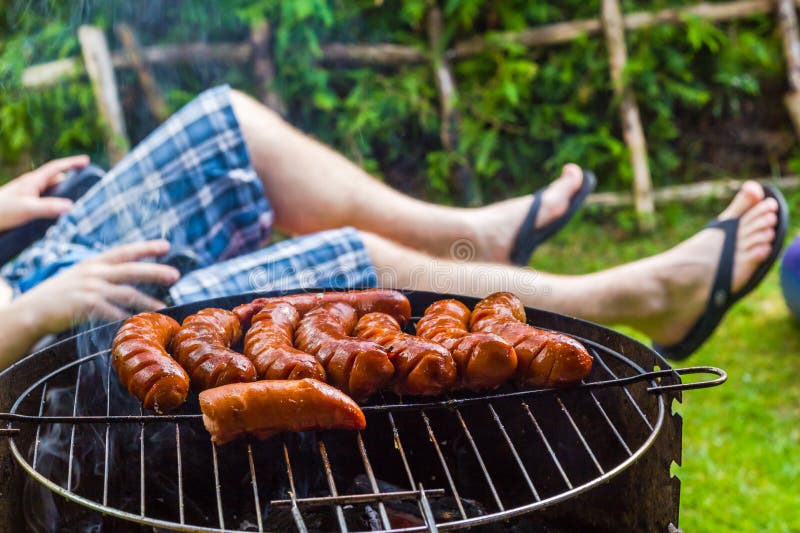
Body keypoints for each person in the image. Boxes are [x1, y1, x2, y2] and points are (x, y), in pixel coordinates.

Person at [0, 85, 785, 370]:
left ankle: (471, 239)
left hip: (21, 269)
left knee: (226, 126)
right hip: (29, 329)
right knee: (350, 269)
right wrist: (34, 310)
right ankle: (628, 298)